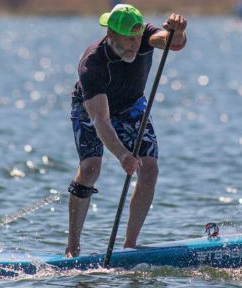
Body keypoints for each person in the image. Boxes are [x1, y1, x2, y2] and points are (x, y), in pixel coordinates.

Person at [66, 4, 187, 258]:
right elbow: (101, 120)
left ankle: (129, 247)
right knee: (90, 169)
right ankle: (73, 247)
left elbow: (171, 43)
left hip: (131, 106)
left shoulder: (145, 37)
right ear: (111, 34)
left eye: (136, 38)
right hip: (94, 109)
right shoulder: (92, 64)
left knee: (150, 168)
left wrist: (178, 30)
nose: (134, 45)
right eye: (127, 40)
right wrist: (122, 155)